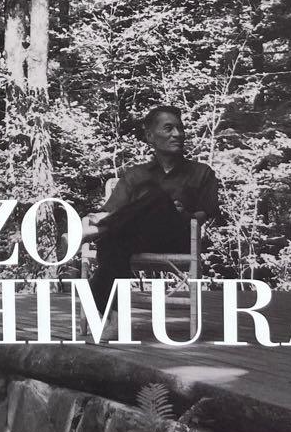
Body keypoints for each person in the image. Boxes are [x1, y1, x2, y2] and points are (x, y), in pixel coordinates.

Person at [84, 105, 221, 317]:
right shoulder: (135, 174)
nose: (177, 134)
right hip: (138, 240)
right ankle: (113, 316)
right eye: (168, 128)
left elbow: (205, 214)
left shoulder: (201, 172)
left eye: (180, 128)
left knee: (156, 198)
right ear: (150, 136)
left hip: (178, 239)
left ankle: (96, 236)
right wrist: (91, 218)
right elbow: (110, 211)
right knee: (115, 240)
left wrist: (182, 214)